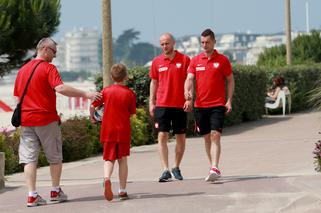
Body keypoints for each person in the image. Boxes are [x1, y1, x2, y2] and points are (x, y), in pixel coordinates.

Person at [13, 37, 102, 207]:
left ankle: (32, 195)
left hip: (26, 120)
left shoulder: (23, 70)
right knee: (54, 156)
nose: (55, 56)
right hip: (46, 118)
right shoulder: (48, 68)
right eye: (54, 52)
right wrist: (86, 94)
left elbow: (17, 98)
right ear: (45, 49)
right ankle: (55, 191)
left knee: (29, 158)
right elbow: (60, 88)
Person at [184, 29, 235, 182]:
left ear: (214, 42)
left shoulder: (223, 60)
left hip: (217, 105)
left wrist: (229, 100)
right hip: (200, 106)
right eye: (202, 43)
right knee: (207, 138)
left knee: (215, 135)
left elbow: (230, 80)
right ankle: (212, 166)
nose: (205, 45)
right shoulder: (195, 60)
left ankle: (215, 166)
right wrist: (187, 92)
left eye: (207, 42)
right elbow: (190, 78)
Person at [90, 63, 136, 201]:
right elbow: (132, 113)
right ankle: (122, 190)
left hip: (108, 129)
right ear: (126, 77)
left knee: (109, 158)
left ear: (111, 76)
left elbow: (93, 105)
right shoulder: (129, 93)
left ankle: (107, 178)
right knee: (122, 160)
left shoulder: (105, 91)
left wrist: (92, 117)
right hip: (122, 130)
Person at [149, 33, 191, 182]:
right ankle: (165, 169)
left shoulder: (185, 59)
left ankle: (176, 167)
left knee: (181, 137)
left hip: (180, 105)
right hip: (162, 104)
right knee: (162, 135)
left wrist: (189, 99)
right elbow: (153, 83)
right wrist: (151, 102)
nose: (164, 47)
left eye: (167, 43)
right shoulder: (156, 62)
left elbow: (190, 80)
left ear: (173, 43)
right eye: (162, 44)